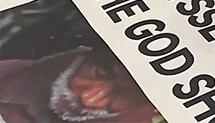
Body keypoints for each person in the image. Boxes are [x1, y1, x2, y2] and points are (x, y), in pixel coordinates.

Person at [0, 47, 162, 123]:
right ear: (82, 54)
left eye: (127, 95)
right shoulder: (10, 74)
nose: (87, 99)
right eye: (99, 74)